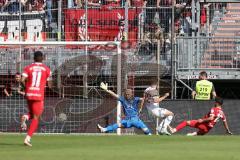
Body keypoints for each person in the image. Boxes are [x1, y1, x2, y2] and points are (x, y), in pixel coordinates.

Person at [20, 51, 52, 147]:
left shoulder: (28, 68)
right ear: (42, 58)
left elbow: (22, 80)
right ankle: (28, 138)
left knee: (32, 113)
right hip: (38, 95)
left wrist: (26, 88)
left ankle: (25, 117)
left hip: (29, 94)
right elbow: (50, 85)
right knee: (36, 117)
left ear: (33, 58)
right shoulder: (46, 69)